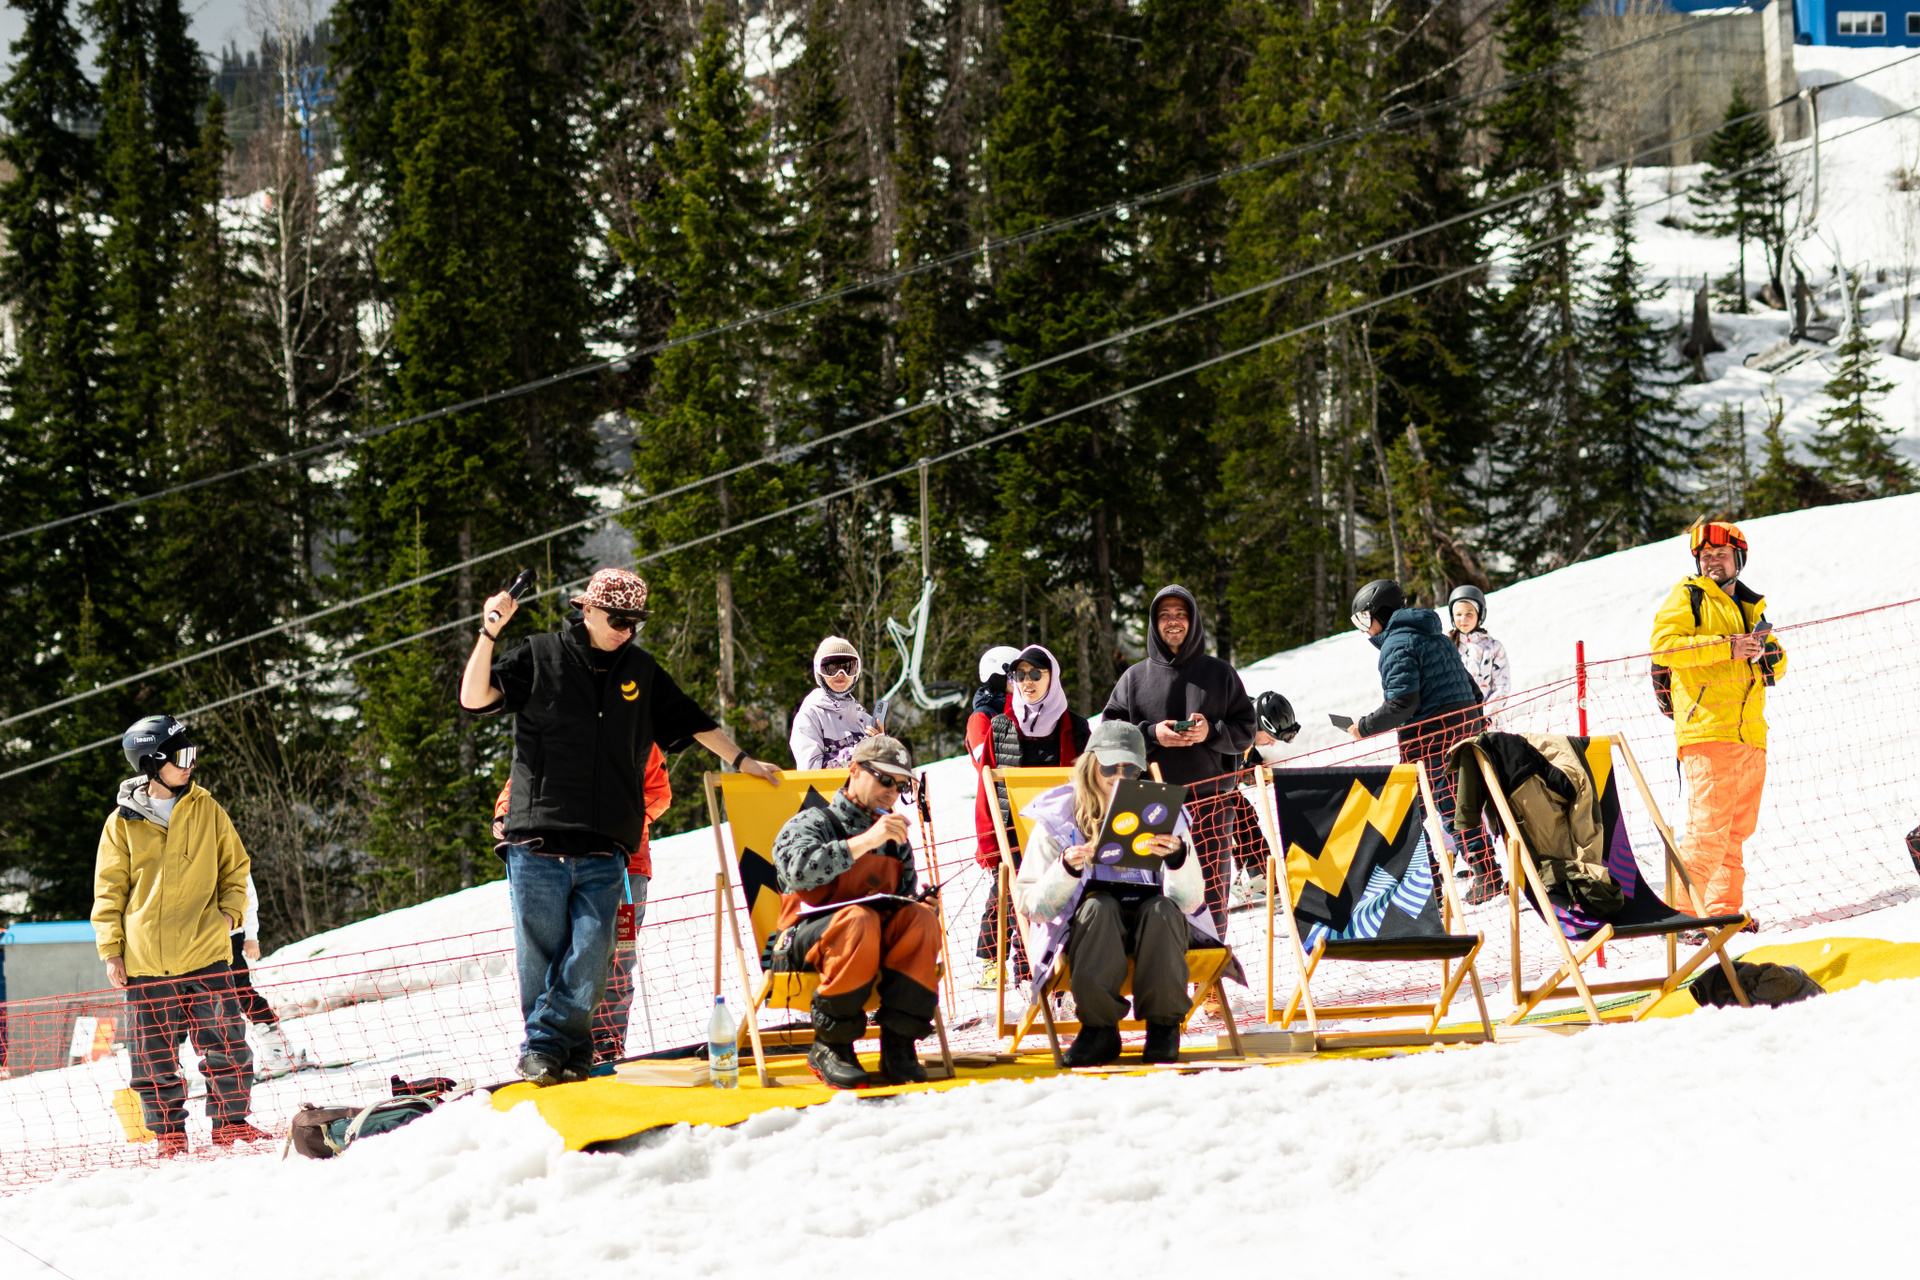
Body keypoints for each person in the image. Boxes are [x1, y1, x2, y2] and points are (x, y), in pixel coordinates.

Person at [460, 567, 781, 1086]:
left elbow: (694, 721)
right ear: (586, 608)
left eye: (636, 622)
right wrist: (489, 633)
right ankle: (564, 1053)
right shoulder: (540, 654)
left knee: (594, 954)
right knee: (541, 959)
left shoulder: (641, 670)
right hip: (537, 838)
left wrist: (742, 761)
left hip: (607, 845)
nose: (627, 630)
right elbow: (475, 698)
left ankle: (548, 1046)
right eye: (618, 619)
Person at [93, 715, 268, 1155]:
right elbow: (108, 891)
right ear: (151, 763)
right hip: (147, 963)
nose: (191, 764)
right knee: (152, 1058)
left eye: (192, 754)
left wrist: (229, 916)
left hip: (206, 954)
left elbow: (236, 868)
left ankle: (231, 1125)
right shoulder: (121, 823)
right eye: (181, 756)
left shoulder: (207, 809)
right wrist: (112, 951)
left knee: (227, 1046)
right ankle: (169, 1137)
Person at [1012, 721, 1217, 1067]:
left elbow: (1191, 902)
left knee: (1163, 910)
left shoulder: (1162, 814)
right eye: (1109, 767)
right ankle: (1099, 1030)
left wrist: (1177, 860)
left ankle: (1164, 1028)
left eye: (1130, 768)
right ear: (1090, 763)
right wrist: (1066, 869)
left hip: (1154, 929)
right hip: (1087, 933)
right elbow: (1032, 906)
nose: (1119, 776)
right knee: (1099, 905)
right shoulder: (1058, 819)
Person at [765, 736, 942, 1089]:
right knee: (859, 919)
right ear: (855, 770)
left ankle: (898, 1044)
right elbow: (796, 872)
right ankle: (831, 1046)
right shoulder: (811, 822)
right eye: (885, 779)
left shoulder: (895, 838)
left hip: (868, 944)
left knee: (920, 920)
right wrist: (866, 841)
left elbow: (901, 898)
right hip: (804, 945)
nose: (891, 793)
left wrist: (920, 906)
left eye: (900, 786)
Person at [490, 741, 673, 1066]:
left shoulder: (636, 734)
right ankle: (559, 1043)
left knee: (618, 954)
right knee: (560, 953)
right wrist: (505, 812)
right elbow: (522, 779)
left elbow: (658, 793)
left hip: (626, 865)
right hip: (558, 862)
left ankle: (607, 1039)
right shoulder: (557, 727)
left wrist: (617, 819)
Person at [1101, 586, 1256, 938]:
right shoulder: (1133, 679)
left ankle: (1209, 966)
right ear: (1154, 623)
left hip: (1209, 802)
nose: (1173, 622)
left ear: (1194, 620)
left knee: (1209, 895)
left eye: (1181, 614)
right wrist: (1152, 734)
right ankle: (1156, 966)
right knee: (1148, 898)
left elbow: (1246, 730)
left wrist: (1211, 732)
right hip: (1147, 803)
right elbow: (1109, 736)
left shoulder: (1220, 674)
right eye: (1165, 615)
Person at [1651, 521, 1785, 925]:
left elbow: (1778, 666)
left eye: (1721, 555)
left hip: (1750, 736)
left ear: (1738, 559)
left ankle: (1724, 915)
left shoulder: (1750, 606)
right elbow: (1664, 647)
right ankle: (1681, 918)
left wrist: (1766, 653)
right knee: (1707, 833)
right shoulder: (1689, 596)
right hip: (1707, 731)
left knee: (1734, 834)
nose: (1712, 561)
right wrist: (1728, 648)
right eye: (1706, 556)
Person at [1343, 580, 1504, 904]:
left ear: (1380, 614)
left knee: (1404, 814)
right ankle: (1486, 875)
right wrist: (1472, 723)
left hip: (1429, 740)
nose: (1364, 630)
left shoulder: (1396, 645)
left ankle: (1428, 887)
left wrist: (1364, 726)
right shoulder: (1437, 638)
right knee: (1453, 807)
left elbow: (1403, 703)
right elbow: (1472, 690)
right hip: (1460, 732)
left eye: (1364, 619)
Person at [969, 645, 1091, 988]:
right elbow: (987, 790)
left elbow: (1091, 785)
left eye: (1036, 674)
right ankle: (1026, 977)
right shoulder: (1001, 726)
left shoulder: (1075, 727)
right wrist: (989, 845)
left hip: (1062, 835)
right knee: (1017, 902)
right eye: (1020, 675)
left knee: (1062, 902)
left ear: (1052, 676)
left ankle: (1060, 979)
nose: (1027, 682)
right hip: (1014, 833)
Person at [227, 873, 311, 1077]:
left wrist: (251, 936)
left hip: (230, 935)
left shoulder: (228, 853)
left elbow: (247, 893)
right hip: (194, 940)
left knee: (241, 993)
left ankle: (278, 1053)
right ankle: (176, 1066)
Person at [1227, 691, 1300, 908]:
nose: (1272, 744)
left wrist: (1252, 771)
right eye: (1270, 738)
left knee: (1245, 815)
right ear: (1259, 726)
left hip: (1225, 786)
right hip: (1202, 789)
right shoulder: (1234, 730)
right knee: (1234, 818)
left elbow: (1248, 761)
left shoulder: (1247, 733)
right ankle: (1224, 884)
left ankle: (1262, 877)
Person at [789, 636, 882, 770]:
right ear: (819, 672)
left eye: (848, 667)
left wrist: (883, 749)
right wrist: (858, 756)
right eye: (831, 668)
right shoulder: (810, 717)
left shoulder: (866, 721)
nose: (840, 674)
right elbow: (810, 770)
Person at [1446, 585, 1510, 714]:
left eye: (1469, 614)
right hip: (1457, 719)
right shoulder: (1447, 647)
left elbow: (1502, 686)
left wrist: (1486, 715)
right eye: (1458, 614)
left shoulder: (1493, 647)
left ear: (1479, 615)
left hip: (1486, 718)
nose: (1463, 619)